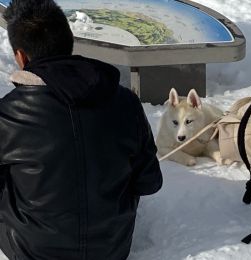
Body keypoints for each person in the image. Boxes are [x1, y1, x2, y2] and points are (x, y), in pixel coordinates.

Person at [0, 0, 163, 259]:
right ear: (69, 41)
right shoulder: (125, 102)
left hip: (31, 251)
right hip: (112, 248)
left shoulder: (7, 114)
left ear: (20, 56)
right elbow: (150, 182)